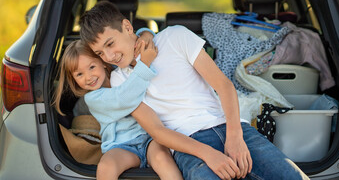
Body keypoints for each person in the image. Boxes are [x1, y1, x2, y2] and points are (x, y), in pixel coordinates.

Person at [79, 0, 310, 180]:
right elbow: (158, 132)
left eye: (110, 44)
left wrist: (236, 137)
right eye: (100, 53)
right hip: (187, 146)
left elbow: (224, 85)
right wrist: (208, 154)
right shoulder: (121, 81)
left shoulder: (175, 37)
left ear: (128, 27)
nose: (109, 57)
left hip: (230, 128)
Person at [54, 40, 240, 180]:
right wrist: (145, 63)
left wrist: (145, 34)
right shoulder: (93, 98)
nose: (89, 77)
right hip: (121, 146)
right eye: (79, 74)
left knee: (162, 158)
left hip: (150, 138)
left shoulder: (123, 74)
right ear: (73, 80)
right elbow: (125, 97)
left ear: (103, 62)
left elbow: (138, 39)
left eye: (91, 67)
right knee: (106, 166)